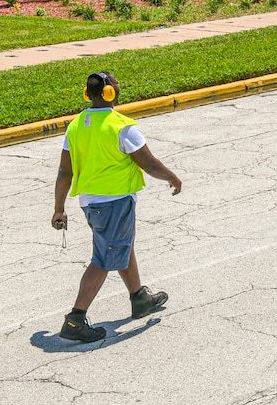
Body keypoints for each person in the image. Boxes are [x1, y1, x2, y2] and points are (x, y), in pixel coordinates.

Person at [51, 71, 182, 343]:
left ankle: (139, 298)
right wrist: (172, 177)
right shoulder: (121, 126)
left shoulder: (75, 126)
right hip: (114, 202)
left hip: (90, 203)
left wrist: (59, 207)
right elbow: (148, 163)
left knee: (120, 245)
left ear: (88, 94)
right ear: (110, 92)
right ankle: (75, 319)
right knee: (103, 259)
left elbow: (65, 171)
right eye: (117, 85)